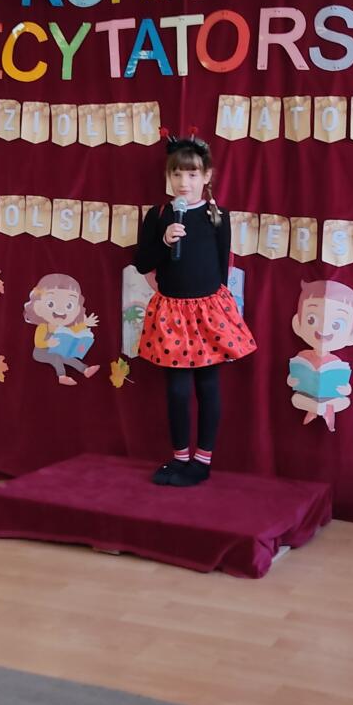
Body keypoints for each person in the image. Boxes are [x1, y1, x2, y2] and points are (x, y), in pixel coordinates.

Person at [134, 134, 256, 487]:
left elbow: (221, 267)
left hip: (207, 311)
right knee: (177, 390)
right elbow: (141, 262)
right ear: (168, 177)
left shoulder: (218, 217)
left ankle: (203, 460)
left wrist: (217, 308)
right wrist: (164, 241)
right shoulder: (159, 215)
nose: (183, 182)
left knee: (207, 385)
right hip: (171, 312)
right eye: (177, 174)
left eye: (191, 174)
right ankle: (179, 457)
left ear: (206, 177)